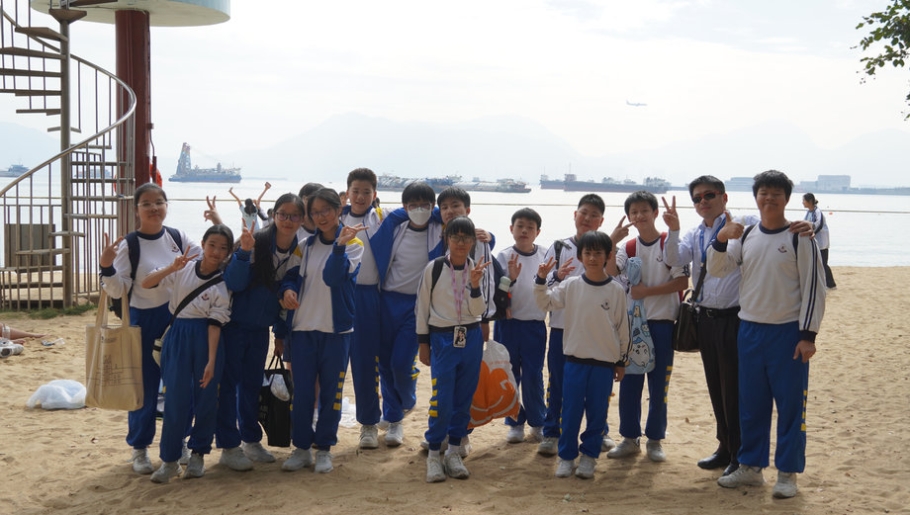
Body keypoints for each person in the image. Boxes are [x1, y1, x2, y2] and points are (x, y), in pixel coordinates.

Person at [663, 176, 815, 476]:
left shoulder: (745, 223)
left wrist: (807, 225)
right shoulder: (696, 233)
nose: (703, 202)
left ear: (724, 197)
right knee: (721, 389)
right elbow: (675, 259)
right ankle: (728, 449)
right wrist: (675, 229)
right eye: (697, 198)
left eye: (709, 195)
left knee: (743, 392)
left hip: (739, 319)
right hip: (708, 319)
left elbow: (773, 224)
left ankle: (745, 456)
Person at [708, 170, 826, 499]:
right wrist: (721, 238)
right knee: (751, 404)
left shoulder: (800, 236)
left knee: (790, 406)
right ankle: (750, 466)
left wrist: (808, 335)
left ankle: (787, 473)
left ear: (786, 199)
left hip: (787, 333)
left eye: (776, 193)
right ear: (756, 197)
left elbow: (814, 287)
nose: (769, 198)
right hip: (749, 330)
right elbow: (718, 269)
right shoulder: (746, 234)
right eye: (763, 192)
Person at [99, 182, 201, 475]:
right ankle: (140, 447)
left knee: (180, 385)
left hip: (176, 320)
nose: (154, 208)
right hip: (142, 322)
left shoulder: (177, 237)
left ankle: (180, 441)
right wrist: (106, 266)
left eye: (159, 202)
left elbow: (203, 263)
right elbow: (118, 289)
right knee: (143, 387)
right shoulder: (130, 245)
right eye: (146, 203)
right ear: (137, 210)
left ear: (167, 205)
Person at [214, 193, 305, 471]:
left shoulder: (298, 251)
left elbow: (287, 293)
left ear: (302, 219)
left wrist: (280, 333)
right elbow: (234, 283)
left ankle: (250, 441)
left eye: (294, 215)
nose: (288, 220)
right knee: (229, 385)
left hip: (260, 329)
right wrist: (243, 253)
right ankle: (228, 446)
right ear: (274, 215)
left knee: (252, 385)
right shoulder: (258, 242)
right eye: (283, 214)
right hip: (233, 325)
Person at [279, 188, 365, 474]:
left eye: (326, 210)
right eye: (314, 212)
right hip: (302, 330)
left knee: (332, 393)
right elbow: (290, 277)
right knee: (302, 393)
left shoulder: (354, 244)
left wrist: (339, 246)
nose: (321, 217)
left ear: (338, 210)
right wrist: (287, 291)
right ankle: (302, 448)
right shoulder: (304, 245)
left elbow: (333, 277)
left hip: (336, 332)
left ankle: (325, 448)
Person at [141, 224, 234, 483]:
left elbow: (215, 325)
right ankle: (169, 460)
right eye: (212, 245)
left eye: (223, 248)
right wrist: (172, 267)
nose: (216, 252)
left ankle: (198, 455)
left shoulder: (223, 283)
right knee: (175, 400)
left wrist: (211, 360)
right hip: (178, 335)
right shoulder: (183, 269)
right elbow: (146, 283)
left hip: (207, 339)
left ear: (228, 253)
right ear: (202, 245)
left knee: (206, 399)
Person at [534, 231, 629, 479]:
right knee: (571, 411)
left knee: (597, 413)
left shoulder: (616, 290)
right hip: (575, 361)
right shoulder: (571, 285)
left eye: (598, 253)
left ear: (608, 255)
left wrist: (621, 360)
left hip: (604, 364)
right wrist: (541, 279)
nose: (593, 258)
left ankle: (589, 456)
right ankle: (566, 457)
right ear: (580, 256)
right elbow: (545, 303)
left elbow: (623, 327)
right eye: (588, 253)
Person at [606, 191, 688, 463]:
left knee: (658, 385)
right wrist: (611, 241)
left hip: (662, 323)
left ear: (655, 213)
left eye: (644, 210)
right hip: (633, 326)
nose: (639, 216)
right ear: (629, 217)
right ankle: (630, 438)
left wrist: (647, 292)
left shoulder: (669, 244)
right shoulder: (628, 247)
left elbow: (682, 282)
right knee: (630, 383)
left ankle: (655, 439)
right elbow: (610, 271)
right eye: (634, 212)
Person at [370, 182, 444, 447]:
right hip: (387, 300)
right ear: (404, 207)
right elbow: (374, 242)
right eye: (413, 205)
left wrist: (488, 236)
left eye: (425, 205)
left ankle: (407, 400)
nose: (419, 210)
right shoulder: (395, 226)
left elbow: (474, 234)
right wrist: (401, 213)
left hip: (416, 306)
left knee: (401, 363)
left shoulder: (439, 229)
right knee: (384, 362)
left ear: (433, 206)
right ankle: (394, 419)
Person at [417, 216, 490, 482]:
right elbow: (421, 308)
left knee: (464, 398)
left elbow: (479, 310)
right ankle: (434, 454)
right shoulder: (434, 268)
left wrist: (475, 285)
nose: (460, 242)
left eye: (466, 238)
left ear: (472, 242)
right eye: (455, 237)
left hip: (470, 337)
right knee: (442, 398)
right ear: (447, 239)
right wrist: (423, 343)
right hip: (442, 338)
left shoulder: (476, 269)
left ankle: (454, 451)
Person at [339, 168, 386, 449]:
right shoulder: (336, 216)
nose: (360, 197)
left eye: (366, 192)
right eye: (355, 191)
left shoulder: (381, 217)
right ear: (347, 192)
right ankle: (324, 421)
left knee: (366, 362)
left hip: (369, 296)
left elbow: (423, 213)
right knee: (333, 364)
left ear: (374, 194)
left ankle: (368, 424)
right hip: (338, 294)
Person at [494, 208, 548, 444]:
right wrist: (511, 278)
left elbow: (552, 286)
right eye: (520, 226)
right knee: (510, 375)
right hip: (508, 325)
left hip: (535, 325)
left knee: (533, 375)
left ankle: (538, 422)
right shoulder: (503, 256)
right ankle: (515, 422)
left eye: (530, 227)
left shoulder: (545, 255)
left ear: (537, 232)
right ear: (511, 229)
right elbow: (496, 292)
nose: (524, 231)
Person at [435, 187, 496, 341]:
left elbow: (487, 281)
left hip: (470, 316)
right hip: (442, 317)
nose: (450, 211)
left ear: (467, 210)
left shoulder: (478, 240)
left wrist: (485, 319)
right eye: (444, 207)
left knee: (468, 353)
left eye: (455, 205)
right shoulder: (438, 235)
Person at [802, 193, 836, 289]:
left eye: (804, 200)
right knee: (815, 263)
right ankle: (820, 283)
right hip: (814, 242)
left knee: (823, 264)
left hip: (822, 242)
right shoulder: (809, 212)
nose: (802, 202)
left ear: (809, 201)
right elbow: (805, 223)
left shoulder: (817, 212)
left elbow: (819, 225)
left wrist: (812, 233)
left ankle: (831, 284)